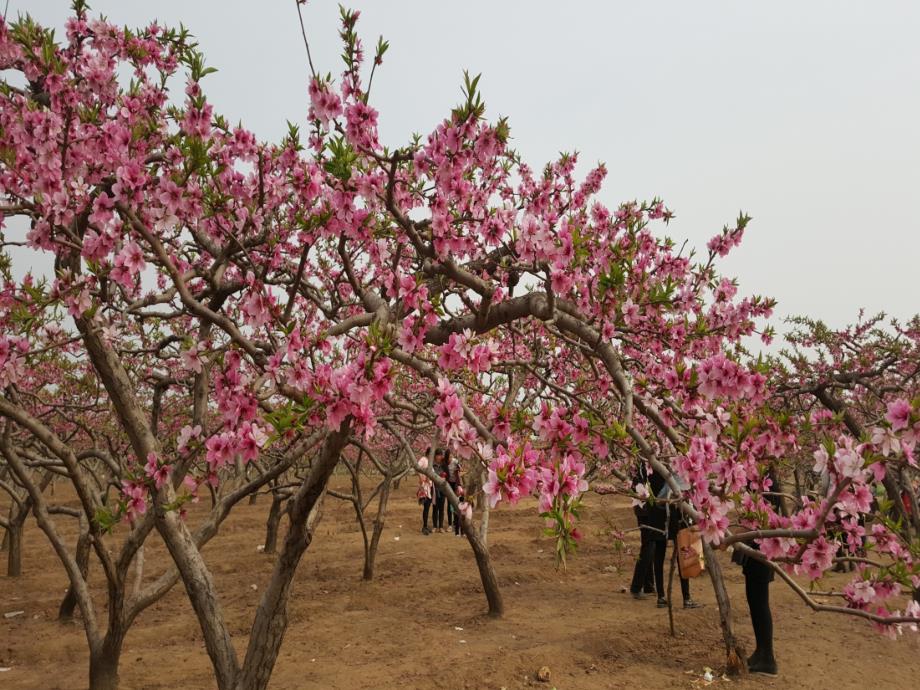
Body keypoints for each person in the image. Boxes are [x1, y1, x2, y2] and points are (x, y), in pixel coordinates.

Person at [731, 474, 782, 677]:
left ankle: (767, 658)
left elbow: (757, 519)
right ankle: (761, 652)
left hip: (762, 549)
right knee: (755, 602)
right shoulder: (761, 481)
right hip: (758, 548)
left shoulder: (765, 484)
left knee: (759, 603)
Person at [629, 463, 667, 604]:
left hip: (646, 508)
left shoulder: (642, 464)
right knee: (649, 546)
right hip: (648, 509)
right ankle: (636, 586)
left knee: (650, 544)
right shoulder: (645, 466)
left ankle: (648, 585)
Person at [431, 448, 449, 533]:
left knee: (441, 508)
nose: (439, 457)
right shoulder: (432, 465)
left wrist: (444, 477)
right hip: (434, 489)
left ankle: (441, 526)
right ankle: (434, 526)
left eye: (440, 455)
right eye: (437, 455)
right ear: (435, 456)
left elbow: (448, 475)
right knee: (435, 508)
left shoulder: (444, 465)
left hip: (442, 489)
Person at [416, 452, 433, 535]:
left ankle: (426, 525)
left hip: (430, 486)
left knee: (428, 506)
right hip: (424, 486)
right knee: (426, 506)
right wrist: (421, 478)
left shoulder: (430, 461)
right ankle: (424, 527)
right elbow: (417, 467)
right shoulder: (423, 459)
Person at [446, 451, 463, 534]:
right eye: (448, 457)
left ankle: (456, 522)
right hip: (448, 484)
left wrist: (459, 468)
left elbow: (461, 469)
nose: (450, 458)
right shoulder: (445, 463)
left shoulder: (455, 461)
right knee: (449, 504)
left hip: (456, 484)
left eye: (451, 456)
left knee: (457, 503)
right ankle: (450, 524)